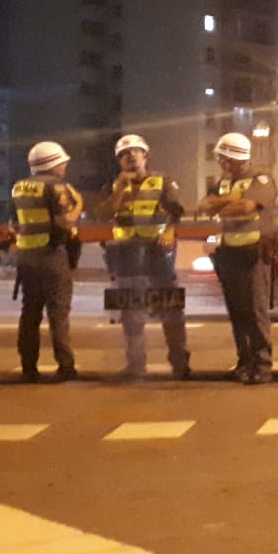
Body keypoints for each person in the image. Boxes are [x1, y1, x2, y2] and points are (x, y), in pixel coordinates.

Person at [94, 134, 190, 380]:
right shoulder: (113, 185)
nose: (130, 156)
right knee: (130, 315)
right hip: (125, 256)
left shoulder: (162, 181)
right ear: (119, 161)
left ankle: (180, 364)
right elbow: (103, 214)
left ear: (145, 155)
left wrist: (169, 232)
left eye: (136, 151)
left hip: (157, 254)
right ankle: (135, 366)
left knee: (171, 310)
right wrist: (120, 190)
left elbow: (177, 211)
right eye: (125, 154)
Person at [197, 132, 278, 385]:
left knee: (256, 311)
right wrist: (230, 200)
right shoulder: (223, 183)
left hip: (254, 254)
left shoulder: (262, 180)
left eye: (224, 158)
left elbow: (247, 208)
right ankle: (245, 362)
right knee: (238, 312)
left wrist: (225, 206)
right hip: (229, 254)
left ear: (237, 158)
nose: (221, 163)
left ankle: (262, 364)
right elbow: (203, 206)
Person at [11, 142, 83, 383]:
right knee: (58, 313)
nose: (65, 166)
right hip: (52, 254)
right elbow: (65, 222)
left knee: (30, 313)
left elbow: (14, 225)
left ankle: (28, 367)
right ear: (53, 163)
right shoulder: (58, 187)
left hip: (26, 256)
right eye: (63, 162)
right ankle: (65, 366)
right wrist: (79, 205)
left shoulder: (19, 187)